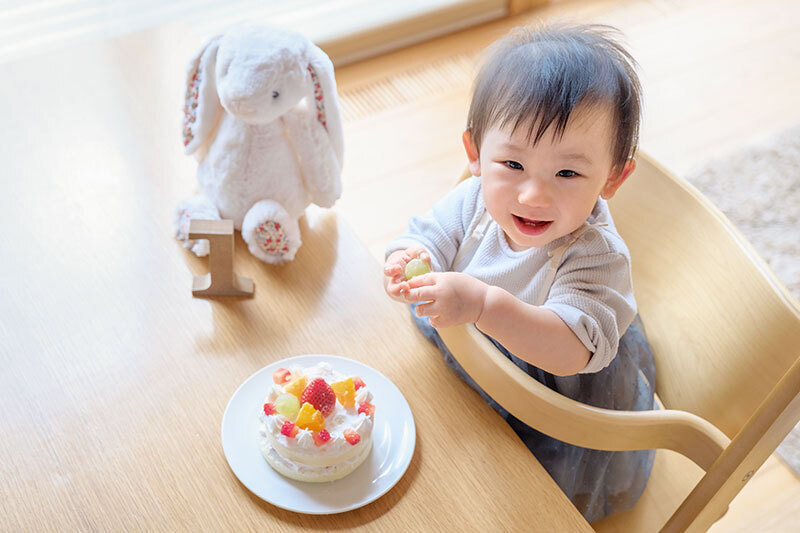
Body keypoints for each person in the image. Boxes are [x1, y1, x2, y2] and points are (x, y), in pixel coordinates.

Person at [383, 23, 656, 522]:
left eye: (568, 173)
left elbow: (570, 353)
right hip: (484, 356)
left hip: (558, 393)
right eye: (511, 163)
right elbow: (431, 234)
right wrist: (408, 255)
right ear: (475, 154)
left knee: (529, 497)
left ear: (614, 177)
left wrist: (484, 305)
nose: (533, 195)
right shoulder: (476, 197)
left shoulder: (595, 255)